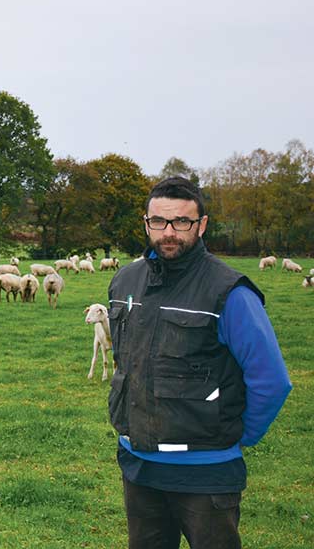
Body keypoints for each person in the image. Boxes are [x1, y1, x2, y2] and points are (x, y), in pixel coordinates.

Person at [106, 176, 291, 549]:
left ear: (201, 224)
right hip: (139, 466)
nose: (169, 232)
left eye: (182, 222)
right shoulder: (125, 281)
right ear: (146, 223)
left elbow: (271, 380)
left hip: (206, 475)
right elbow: (126, 359)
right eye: (158, 221)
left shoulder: (229, 292)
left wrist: (236, 435)